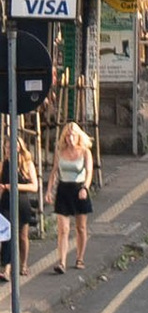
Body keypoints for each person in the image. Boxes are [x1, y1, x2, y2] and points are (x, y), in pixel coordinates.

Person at [51, 116, 94, 276]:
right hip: (63, 189)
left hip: (79, 189)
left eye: (73, 135)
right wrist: (49, 191)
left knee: (81, 227)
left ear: (78, 136)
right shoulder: (60, 152)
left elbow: (89, 172)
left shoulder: (85, 152)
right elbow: (55, 172)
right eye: (67, 135)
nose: (70, 138)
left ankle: (80, 257)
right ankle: (61, 262)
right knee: (63, 229)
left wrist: (85, 188)